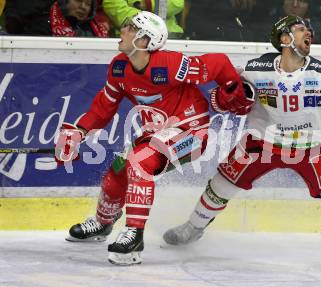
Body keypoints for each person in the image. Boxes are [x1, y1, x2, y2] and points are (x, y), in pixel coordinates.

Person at [162, 15, 321, 269]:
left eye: (310, 30)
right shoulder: (255, 68)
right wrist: (227, 98)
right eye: (301, 29)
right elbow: (222, 95)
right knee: (221, 184)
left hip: (310, 146)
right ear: (284, 38)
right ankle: (193, 227)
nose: (309, 33)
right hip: (261, 144)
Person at [54, 11, 254, 265]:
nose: (122, 30)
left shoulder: (170, 65)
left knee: (139, 162)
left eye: (129, 27)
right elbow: (104, 105)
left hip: (191, 132)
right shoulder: (119, 67)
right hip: (157, 134)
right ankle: (104, 223)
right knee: (117, 171)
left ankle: (134, 234)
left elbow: (217, 63)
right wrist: (79, 131)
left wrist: (231, 88)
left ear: (144, 40)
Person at [102, 0, 184, 38]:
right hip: (131, 36)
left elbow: (178, 3)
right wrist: (146, 19)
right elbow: (113, 5)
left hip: (169, 36)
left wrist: (148, 3)